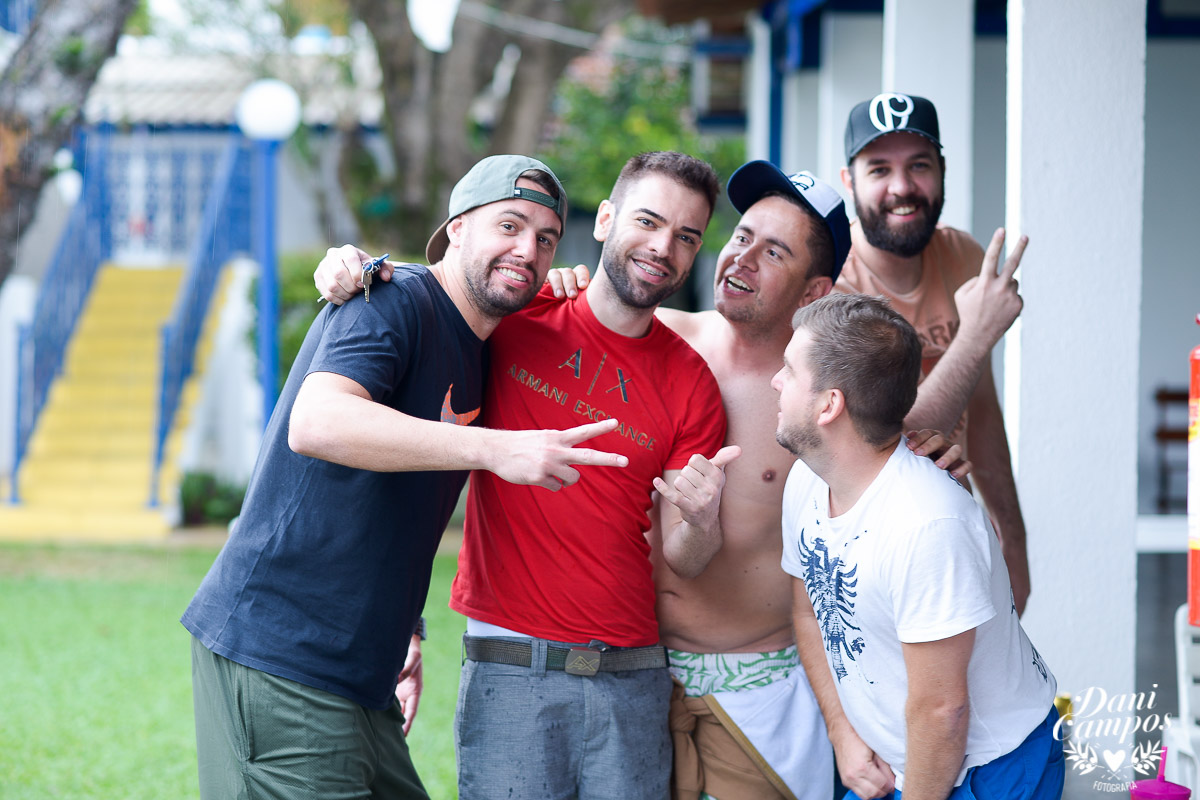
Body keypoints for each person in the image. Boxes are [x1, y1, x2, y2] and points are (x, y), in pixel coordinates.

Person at [182, 155, 632, 800]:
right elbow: (318, 422)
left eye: (545, 238)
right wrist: (497, 449)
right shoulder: (392, 299)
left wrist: (407, 627)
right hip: (282, 651)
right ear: (456, 228)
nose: (526, 250)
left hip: (361, 670)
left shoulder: (482, 344)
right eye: (508, 226)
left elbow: (398, 497)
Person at [547, 161, 993, 800]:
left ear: (814, 292)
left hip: (763, 688)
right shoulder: (653, 335)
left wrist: (940, 457)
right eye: (741, 236)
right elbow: (556, 319)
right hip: (635, 674)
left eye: (773, 251)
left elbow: (903, 496)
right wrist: (560, 283)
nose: (742, 257)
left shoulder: (823, 406)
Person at [315, 152, 734, 800]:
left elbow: (686, 556)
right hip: (510, 669)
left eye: (686, 236)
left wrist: (703, 521)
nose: (663, 247)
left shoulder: (692, 383)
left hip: (633, 673)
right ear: (604, 219)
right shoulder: (514, 311)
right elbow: (433, 292)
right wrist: (349, 265)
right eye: (649, 221)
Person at [775, 292, 1062, 800]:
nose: (775, 381)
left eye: (789, 371)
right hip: (888, 763)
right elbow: (809, 612)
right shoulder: (807, 481)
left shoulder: (926, 524)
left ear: (829, 404)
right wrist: (843, 733)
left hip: (990, 771)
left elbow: (942, 712)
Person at [836, 92, 1031, 614]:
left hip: (952, 538)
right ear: (848, 181)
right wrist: (974, 335)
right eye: (879, 169)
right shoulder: (830, 286)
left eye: (919, 165)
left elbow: (982, 410)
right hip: (863, 558)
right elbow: (883, 445)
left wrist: (1012, 537)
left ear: (942, 171)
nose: (902, 188)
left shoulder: (963, 257)